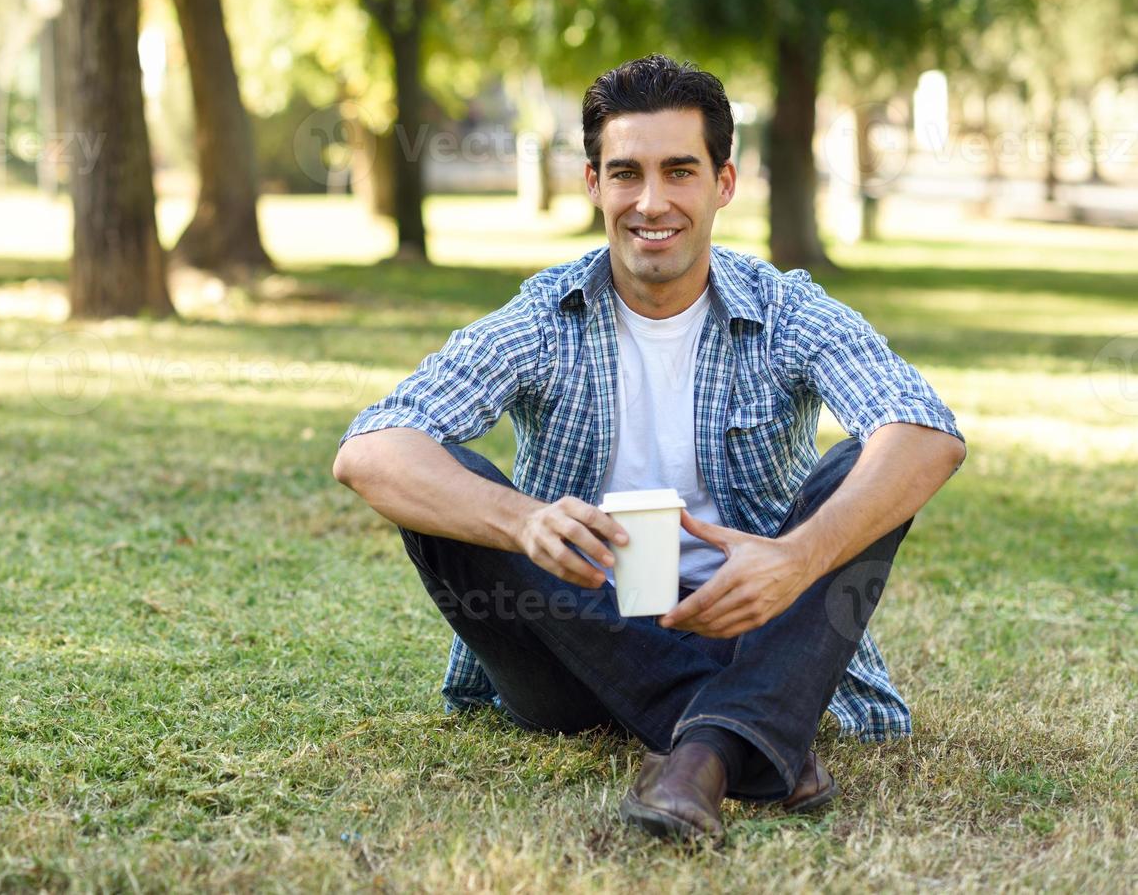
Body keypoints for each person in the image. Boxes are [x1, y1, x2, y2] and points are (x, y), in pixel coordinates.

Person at [331, 54, 967, 845]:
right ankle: (748, 732)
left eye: (679, 171)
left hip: (752, 633)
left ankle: (704, 745)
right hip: (572, 651)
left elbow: (926, 434)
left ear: (723, 183)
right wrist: (520, 520)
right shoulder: (544, 313)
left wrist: (795, 560)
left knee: (861, 470)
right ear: (593, 183)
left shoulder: (787, 309)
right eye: (626, 173)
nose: (651, 202)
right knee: (439, 485)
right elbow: (370, 448)